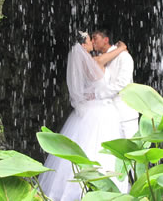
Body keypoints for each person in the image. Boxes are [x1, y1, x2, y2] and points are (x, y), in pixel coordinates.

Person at [38, 31, 129, 201]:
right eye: (89, 40)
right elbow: (109, 60)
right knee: (99, 149)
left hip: (88, 109)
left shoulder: (82, 62)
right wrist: (122, 48)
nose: (92, 43)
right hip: (100, 110)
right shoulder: (94, 61)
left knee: (82, 146)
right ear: (82, 45)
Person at [92, 29, 139, 139]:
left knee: (130, 149)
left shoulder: (124, 56)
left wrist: (99, 94)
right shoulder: (98, 59)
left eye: (95, 38)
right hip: (104, 115)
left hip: (124, 112)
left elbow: (123, 83)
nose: (93, 42)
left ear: (106, 40)